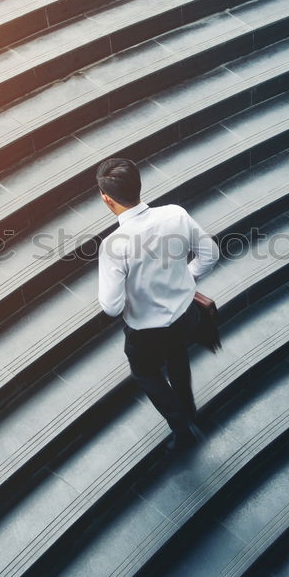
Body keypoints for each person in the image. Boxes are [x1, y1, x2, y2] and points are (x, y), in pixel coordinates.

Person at [96, 157, 220, 453]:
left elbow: (111, 306)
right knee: (178, 355)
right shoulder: (174, 214)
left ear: (107, 199)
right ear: (138, 184)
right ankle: (189, 408)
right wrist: (185, 277)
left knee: (145, 373)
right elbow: (210, 254)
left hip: (147, 332)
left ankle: (181, 426)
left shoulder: (114, 245)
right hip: (185, 315)